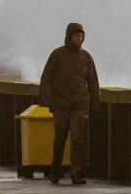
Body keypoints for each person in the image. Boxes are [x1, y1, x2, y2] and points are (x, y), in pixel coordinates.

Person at [38, 22, 100, 184]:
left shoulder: (86, 57)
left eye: (82, 36)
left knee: (77, 139)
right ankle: (55, 170)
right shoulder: (57, 55)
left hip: (79, 104)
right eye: (76, 36)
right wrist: (44, 99)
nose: (80, 38)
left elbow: (93, 82)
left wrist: (95, 103)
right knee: (60, 138)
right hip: (60, 104)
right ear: (69, 37)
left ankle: (76, 173)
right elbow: (46, 77)